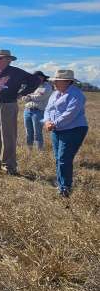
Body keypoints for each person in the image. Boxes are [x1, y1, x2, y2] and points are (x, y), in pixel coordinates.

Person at [0, 49, 39, 175]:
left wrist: (22, 93)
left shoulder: (16, 72)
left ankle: (9, 166)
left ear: (8, 60)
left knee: (8, 136)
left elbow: (35, 81)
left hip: (8, 106)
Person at [44, 70, 88, 198]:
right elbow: (47, 109)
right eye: (55, 80)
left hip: (74, 129)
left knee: (64, 159)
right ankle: (61, 184)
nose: (54, 83)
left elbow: (70, 114)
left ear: (68, 82)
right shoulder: (55, 94)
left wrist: (53, 123)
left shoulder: (76, 94)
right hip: (57, 129)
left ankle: (65, 188)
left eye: (58, 81)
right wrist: (47, 121)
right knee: (59, 158)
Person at [21, 71, 52, 150]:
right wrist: (28, 96)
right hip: (27, 110)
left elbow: (40, 97)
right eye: (35, 77)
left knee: (37, 133)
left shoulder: (47, 86)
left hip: (38, 111)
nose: (37, 79)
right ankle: (30, 150)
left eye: (39, 77)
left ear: (43, 77)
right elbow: (23, 97)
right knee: (28, 132)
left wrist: (29, 96)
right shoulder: (31, 85)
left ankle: (39, 151)